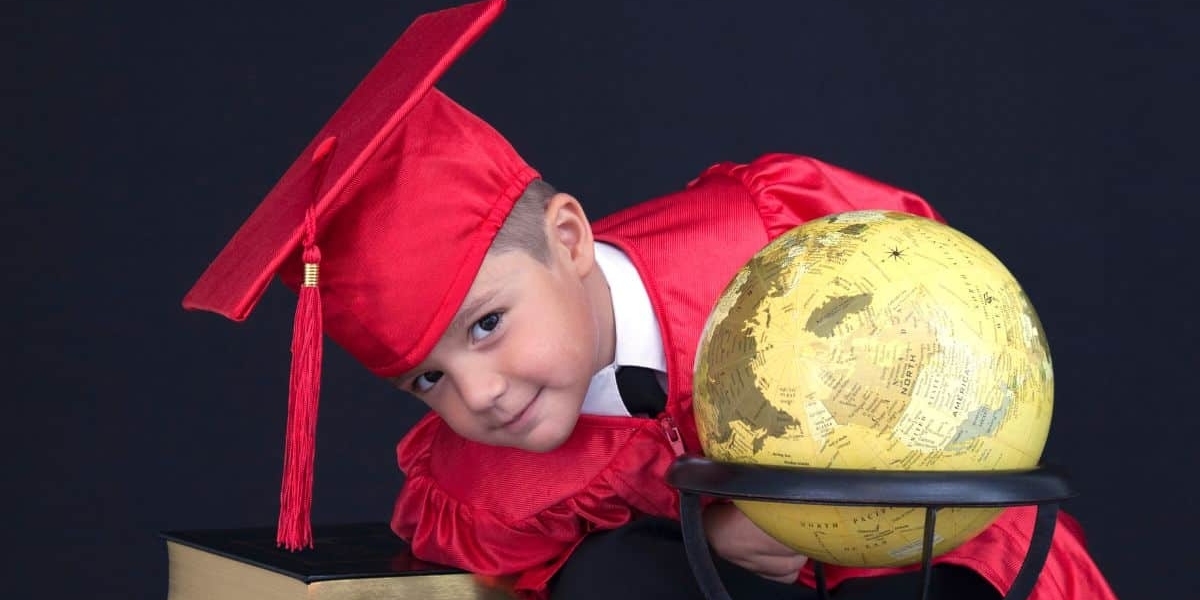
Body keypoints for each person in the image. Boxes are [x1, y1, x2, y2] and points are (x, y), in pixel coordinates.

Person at [183, 1, 1118, 599]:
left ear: (570, 238)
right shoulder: (489, 477)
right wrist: (712, 533)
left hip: (939, 559)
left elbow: (941, 339)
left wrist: (810, 508)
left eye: (487, 325)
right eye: (426, 377)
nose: (478, 395)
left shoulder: (768, 241)